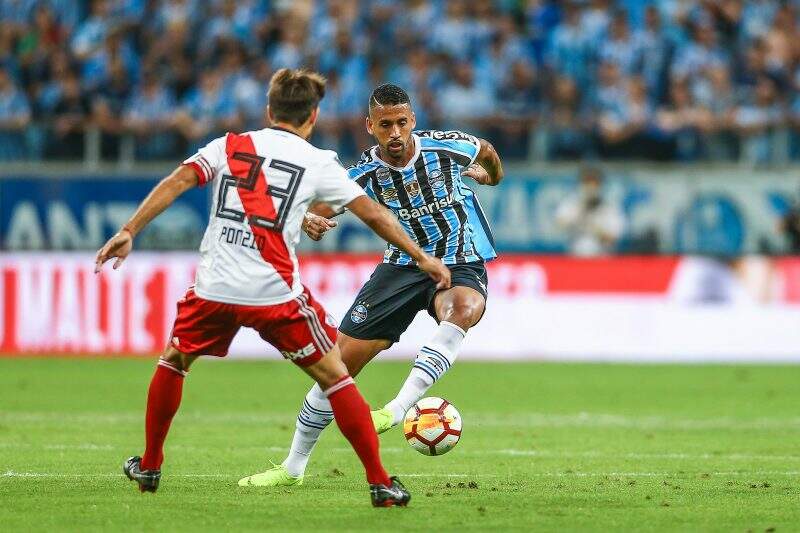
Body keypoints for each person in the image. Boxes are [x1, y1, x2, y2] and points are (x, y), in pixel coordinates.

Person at [94, 69, 452, 507]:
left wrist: (131, 229)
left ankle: (150, 463)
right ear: (314, 115)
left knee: (174, 361)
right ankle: (379, 482)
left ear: (269, 111)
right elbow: (375, 216)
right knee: (336, 378)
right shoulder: (319, 161)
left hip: (215, 290)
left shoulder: (229, 146)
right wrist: (422, 257)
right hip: (276, 295)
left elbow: (177, 182)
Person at [240, 83, 503, 487]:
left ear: (413, 121)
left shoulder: (448, 147)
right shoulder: (362, 172)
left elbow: (486, 149)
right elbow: (318, 206)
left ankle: (398, 409)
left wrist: (491, 176)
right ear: (370, 127)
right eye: (385, 125)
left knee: (464, 308)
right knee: (336, 367)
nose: (395, 132)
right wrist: (307, 220)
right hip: (400, 268)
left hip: (458, 258)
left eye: (401, 123)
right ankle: (292, 468)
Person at [555, 166, 624, 256]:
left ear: (600, 184)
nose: (590, 187)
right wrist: (581, 209)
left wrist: (595, 229)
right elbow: (559, 223)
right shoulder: (572, 203)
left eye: (594, 183)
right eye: (587, 182)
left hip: (602, 258)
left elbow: (613, 238)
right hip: (575, 256)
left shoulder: (609, 207)